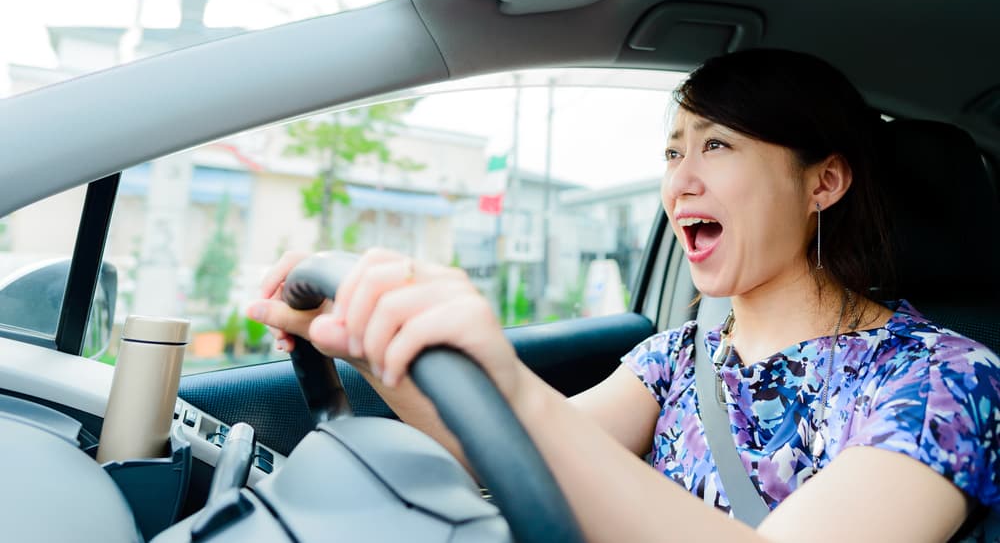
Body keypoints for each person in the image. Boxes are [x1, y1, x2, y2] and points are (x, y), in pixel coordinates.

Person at [247, 49, 1000, 542]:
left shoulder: (945, 380)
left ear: (824, 181)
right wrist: (377, 344)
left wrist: (514, 383)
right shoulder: (677, 357)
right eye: (674, 152)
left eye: (717, 145)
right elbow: (499, 455)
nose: (680, 180)